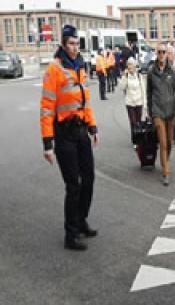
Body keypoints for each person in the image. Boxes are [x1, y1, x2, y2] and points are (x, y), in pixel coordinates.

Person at [40, 25, 99, 251]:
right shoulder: (54, 70)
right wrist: (47, 143)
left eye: (77, 43)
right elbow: (46, 108)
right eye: (71, 43)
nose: (75, 47)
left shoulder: (80, 66)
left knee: (89, 179)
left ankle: (81, 219)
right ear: (63, 44)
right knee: (73, 185)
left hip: (81, 131)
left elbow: (85, 101)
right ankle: (70, 234)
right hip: (63, 134)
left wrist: (93, 127)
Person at [146, 43, 175, 186]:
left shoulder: (172, 71)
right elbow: (149, 93)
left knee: (169, 142)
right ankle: (166, 172)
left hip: (170, 112)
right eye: (159, 52)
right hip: (157, 112)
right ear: (156, 53)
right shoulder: (151, 72)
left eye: (164, 52)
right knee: (162, 142)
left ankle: (165, 161)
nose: (162, 54)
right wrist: (149, 111)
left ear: (167, 54)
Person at [119, 57, 145, 148]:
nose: (130, 67)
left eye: (132, 65)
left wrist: (145, 103)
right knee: (133, 122)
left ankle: (139, 139)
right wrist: (124, 76)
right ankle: (135, 140)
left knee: (138, 122)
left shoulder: (139, 76)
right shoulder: (126, 76)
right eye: (129, 65)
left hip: (139, 102)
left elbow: (143, 89)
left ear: (135, 66)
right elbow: (122, 87)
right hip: (130, 102)